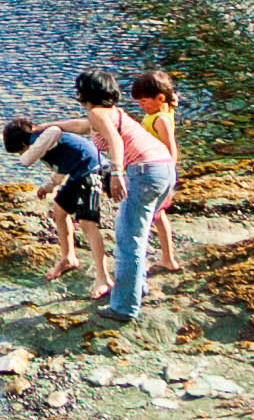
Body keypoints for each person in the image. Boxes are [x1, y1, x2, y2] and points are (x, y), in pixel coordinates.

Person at [79, 69, 174, 321]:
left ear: (85, 93)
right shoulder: (112, 112)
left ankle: (124, 308)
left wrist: (116, 172)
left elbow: (115, 142)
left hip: (144, 171)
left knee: (127, 239)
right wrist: (42, 128)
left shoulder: (97, 112)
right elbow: (79, 127)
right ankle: (137, 288)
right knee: (137, 235)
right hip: (163, 167)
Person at [1, 116, 110, 292]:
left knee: (87, 223)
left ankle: (103, 277)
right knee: (59, 212)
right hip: (77, 173)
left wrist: (26, 157)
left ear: (23, 145)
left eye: (20, 152)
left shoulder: (43, 136)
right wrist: (49, 186)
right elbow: (61, 167)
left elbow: (54, 131)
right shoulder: (43, 145)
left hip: (93, 171)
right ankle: (68, 258)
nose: (22, 156)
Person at [132, 70, 184, 273]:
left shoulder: (159, 120)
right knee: (159, 216)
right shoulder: (167, 108)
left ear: (159, 98)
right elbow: (174, 100)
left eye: (144, 101)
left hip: (157, 174)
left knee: (147, 217)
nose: (141, 105)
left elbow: (171, 149)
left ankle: (151, 258)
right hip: (154, 171)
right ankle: (168, 258)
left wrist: (169, 178)